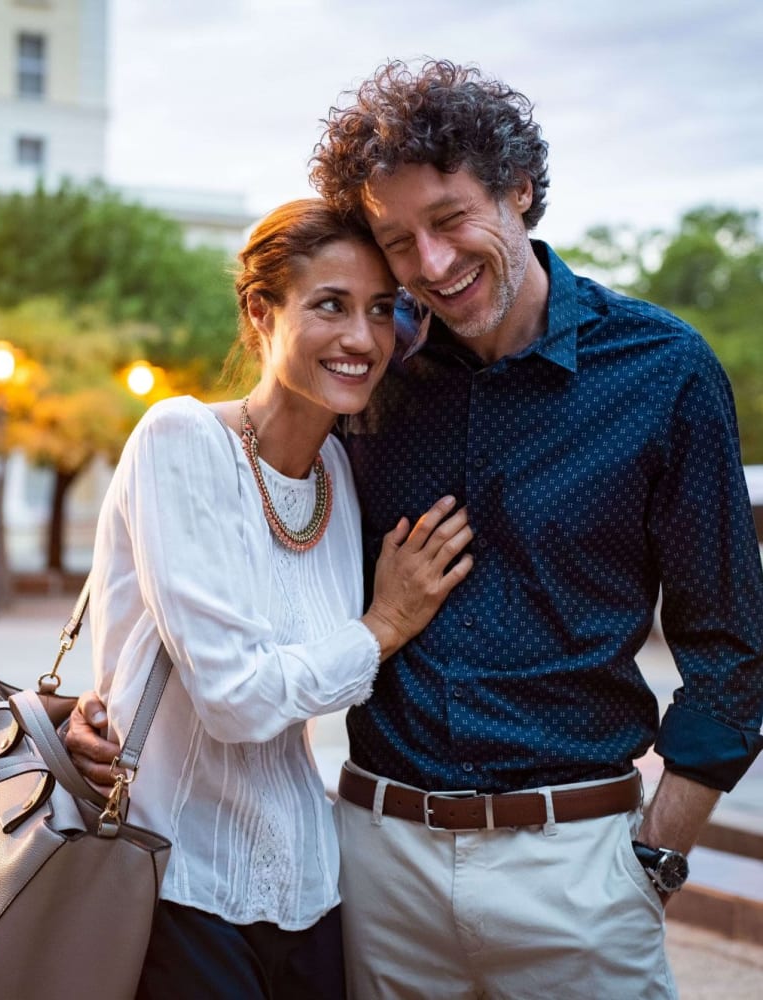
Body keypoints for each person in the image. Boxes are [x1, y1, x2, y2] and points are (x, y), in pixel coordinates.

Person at [303, 59, 763, 998]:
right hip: (379, 867)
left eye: (450, 219)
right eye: (397, 241)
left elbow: (734, 650)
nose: (430, 265)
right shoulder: (368, 378)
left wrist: (653, 860)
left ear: (518, 190)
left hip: (578, 872)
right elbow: (249, 530)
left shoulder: (663, 372)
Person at [65, 198, 474, 1000]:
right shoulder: (180, 440)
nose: (362, 338)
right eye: (330, 304)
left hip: (314, 893)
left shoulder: (339, 478)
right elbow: (237, 702)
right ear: (261, 311)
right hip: (181, 886)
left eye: (381, 310)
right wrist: (383, 625)